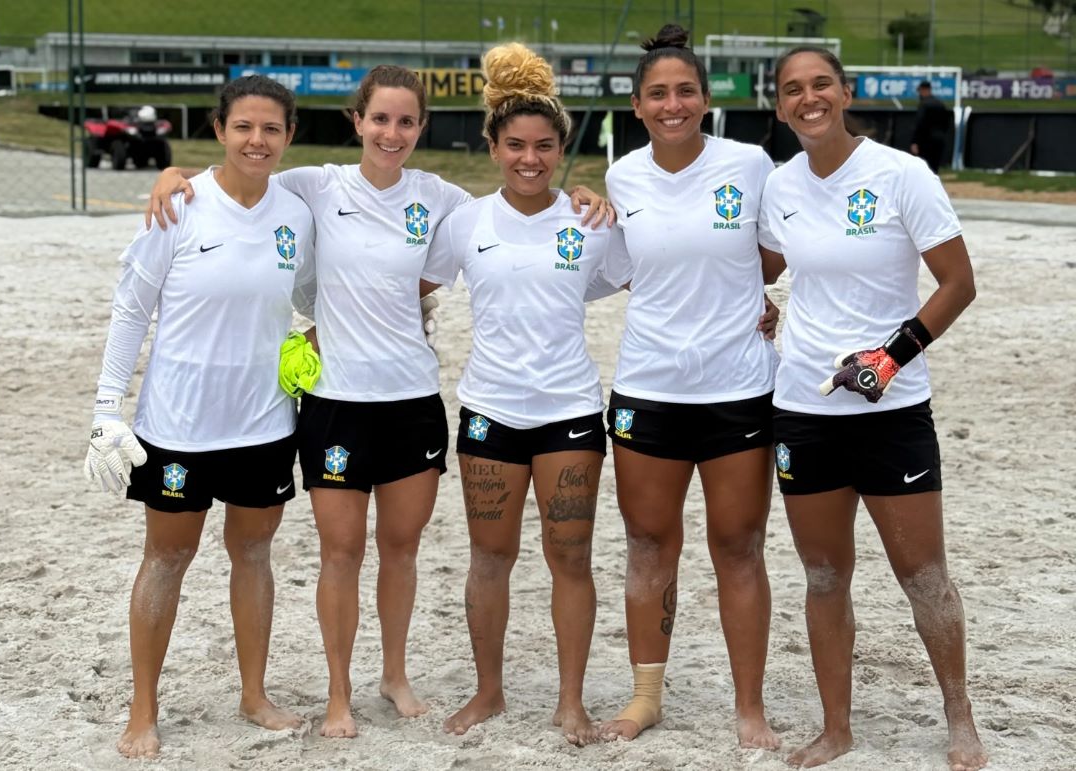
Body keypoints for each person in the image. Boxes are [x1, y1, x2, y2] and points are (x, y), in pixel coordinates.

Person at [145, 65, 610, 739]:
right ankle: (339, 693)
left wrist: (584, 194)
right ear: (356, 121)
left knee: (401, 547)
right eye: (380, 119)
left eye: (406, 121)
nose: (392, 133)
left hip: (413, 398)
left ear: (422, 127)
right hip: (335, 400)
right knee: (340, 552)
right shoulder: (313, 185)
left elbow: (515, 209)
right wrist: (171, 175)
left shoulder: (442, 198)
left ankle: (394, 674)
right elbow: (240, 171)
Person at [757, 45, 987, 770]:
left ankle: (960, 718)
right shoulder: (779, 186)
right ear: (778, 104)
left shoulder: (900, 174)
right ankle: (837, 727)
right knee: (824, 577)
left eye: (820, 83)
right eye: (792, 89)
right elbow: (756, 268)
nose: (808, 98)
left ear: (845, 91)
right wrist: (756, 304)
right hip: (803, 409)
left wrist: (893, 354)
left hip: (891, 410)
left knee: (925, 577)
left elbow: (957, 282)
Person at [84, 75, 316, 758]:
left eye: (271, 128)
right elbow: (132, 309)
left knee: (253, 552)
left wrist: (324, 338)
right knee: (167, 557)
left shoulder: (295, 215)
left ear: (288, 136)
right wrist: (106, 408)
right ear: (219, 129)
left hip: (266, 424)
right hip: (177, 425)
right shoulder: (179, 205)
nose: (257, 140)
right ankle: (142, 709)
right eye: (244, 126)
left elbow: (314, 294)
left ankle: (254, 693)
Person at [419, 42, 625, 746]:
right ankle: (489, 690)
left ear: (563, 147)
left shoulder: (592, 224)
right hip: (489, 411)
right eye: (515, 144)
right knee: (489, 557)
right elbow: (409, 289)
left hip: (569, 411)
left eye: (543, 145)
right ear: (492, 145)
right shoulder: (465, 223)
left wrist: (763, 308)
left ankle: (572, 700)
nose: (529, 158)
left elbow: (655, 285)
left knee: (569, 557)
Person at [594, 25, 782, 749]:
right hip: (649, 385)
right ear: (636, 105)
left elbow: (768, 257)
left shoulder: (750, 164)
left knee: (738, 545)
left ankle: (749, 706)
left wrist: (756, 302)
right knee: (648, 543)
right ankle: (646, 698)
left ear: (706, 98)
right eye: (657, 95)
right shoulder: (623, 177)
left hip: (737, 387)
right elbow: (626, 267)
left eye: (685, 92)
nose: (672, 105)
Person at [911, 80, 949, 173]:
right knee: (935, 169)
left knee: (924, 169)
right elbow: (947, 123)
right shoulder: (940, 104)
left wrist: (915, 142)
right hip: (939, 140)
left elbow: (920, 124)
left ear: (924, 90)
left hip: (925, 142)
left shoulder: (923, 104)